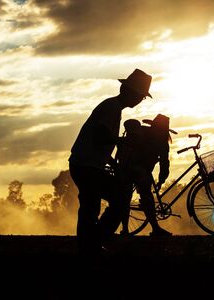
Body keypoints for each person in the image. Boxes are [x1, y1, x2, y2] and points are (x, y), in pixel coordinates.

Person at [69, 69, 153, 255]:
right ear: (130, 92)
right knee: (118, 199)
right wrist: (123, 141)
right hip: (87, 165)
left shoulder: (112, 107)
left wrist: (113, 164)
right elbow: (100, 137)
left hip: (84, 163)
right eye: (140, 96)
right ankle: (94, 243)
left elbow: (96, 140)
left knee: (90, 207)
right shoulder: (112, 108)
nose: (140, 100)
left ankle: (89, 246)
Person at [116, 114, 174, 236]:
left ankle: (125, 229)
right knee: (147, 198)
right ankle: (155, 228)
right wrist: (161, 180)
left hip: (125, 168)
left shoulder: (142, 131)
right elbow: (164, 163)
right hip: (141, 171)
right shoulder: (162, 141)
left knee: (125, 199)